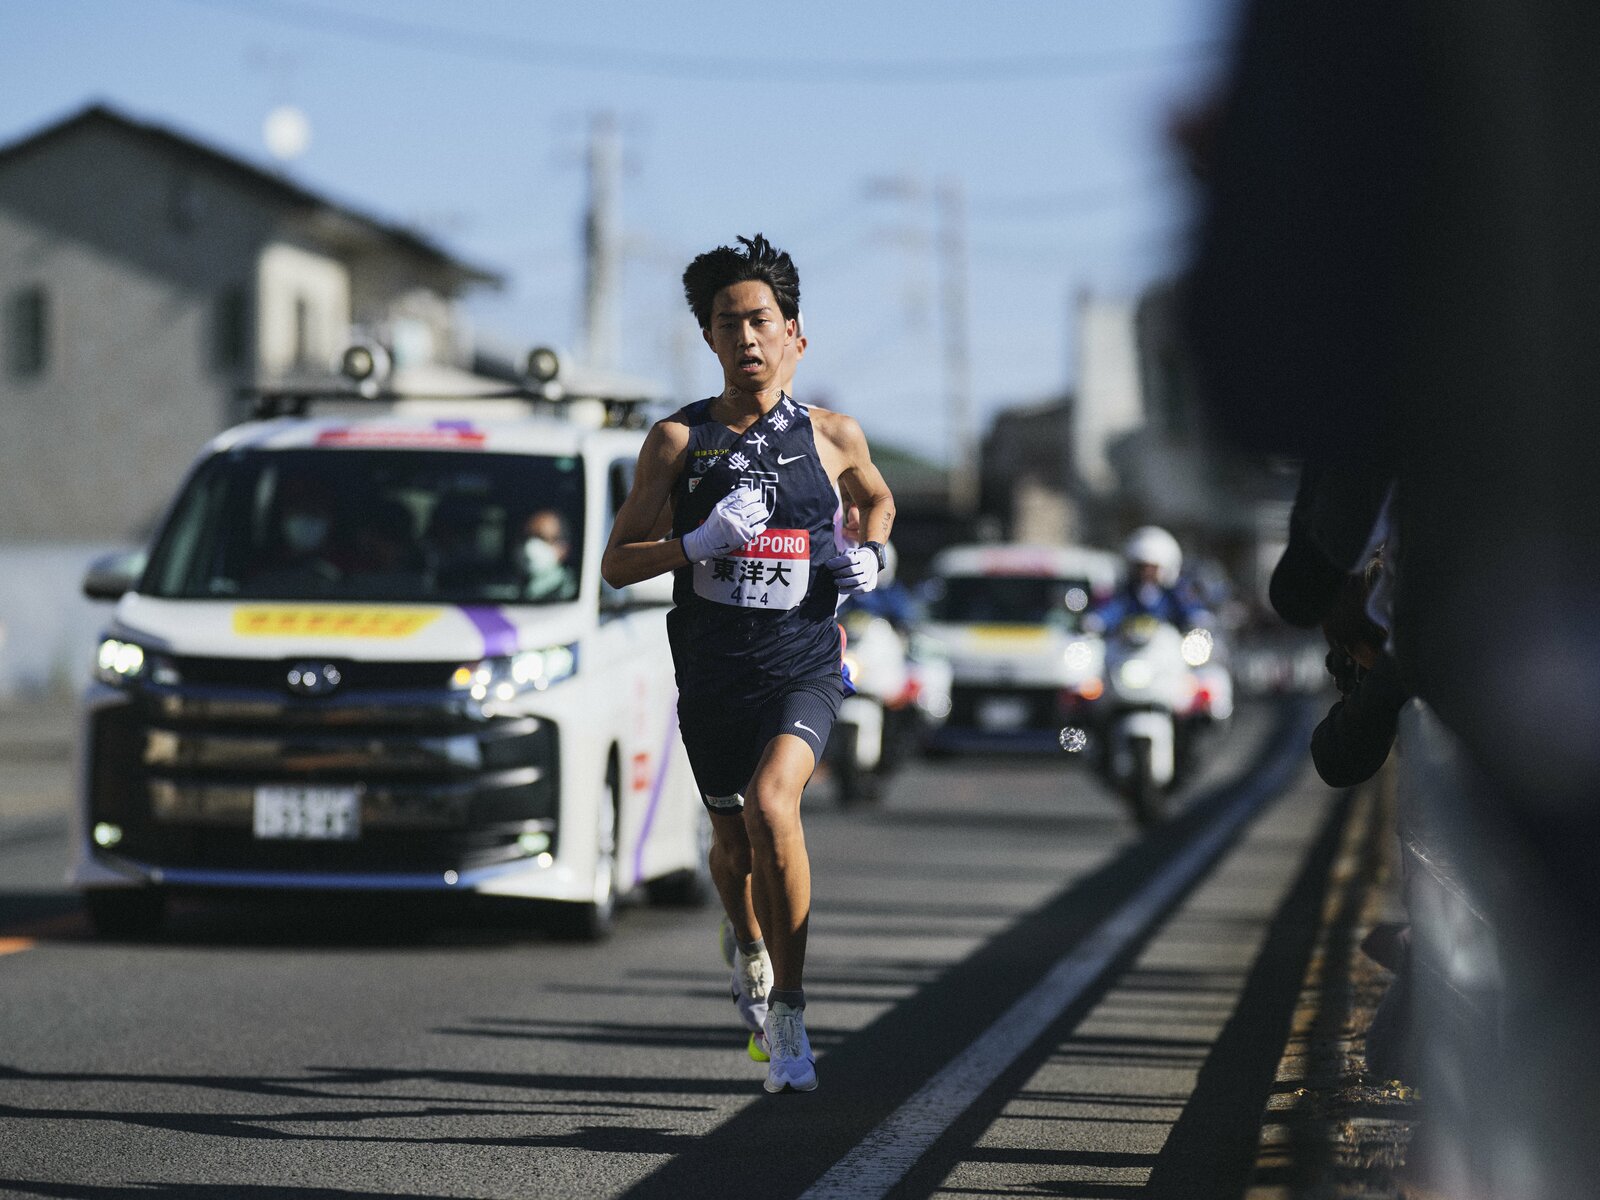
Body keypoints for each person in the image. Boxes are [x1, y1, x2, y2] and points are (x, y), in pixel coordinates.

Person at [601, 233, 895, 1094]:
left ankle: (791, 1012)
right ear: (709, 338)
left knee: (774, 805)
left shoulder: (833, 435)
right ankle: (750, 948)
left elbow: (875, 497)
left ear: (794, 333)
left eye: (761, 321)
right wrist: (695, 543)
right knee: (731, 845)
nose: (747, 338)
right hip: (713, 670)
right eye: (728, 324)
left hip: (803, 661)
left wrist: (873, 555)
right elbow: (616, 564)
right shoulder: (677, 441)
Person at [1086, 526, 1208, 633]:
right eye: (1141, 567)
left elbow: (1187, 608)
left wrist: (1197, 617)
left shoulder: (1173, 593)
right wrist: (1099, 620)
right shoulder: (1128, 593)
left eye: (1152, 568)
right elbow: (1115, 609)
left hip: (1167, 646)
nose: (1145, 573)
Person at [521, 508, 576, 601]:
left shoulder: (569, 592)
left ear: (563, 547)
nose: (529, 546)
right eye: (527, 537)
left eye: (542, 538)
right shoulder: (510, 588)